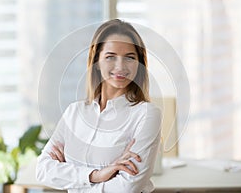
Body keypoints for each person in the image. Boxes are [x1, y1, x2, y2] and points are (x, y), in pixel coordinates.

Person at [36, 19, 162, 193]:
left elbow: (127, 187)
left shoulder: (146, 114)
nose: (120, 66)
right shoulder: (74, 112)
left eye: (130, 57)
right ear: (96, 62)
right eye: (110, 57)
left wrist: (71, 180)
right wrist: (96, 175)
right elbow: (42, 170)